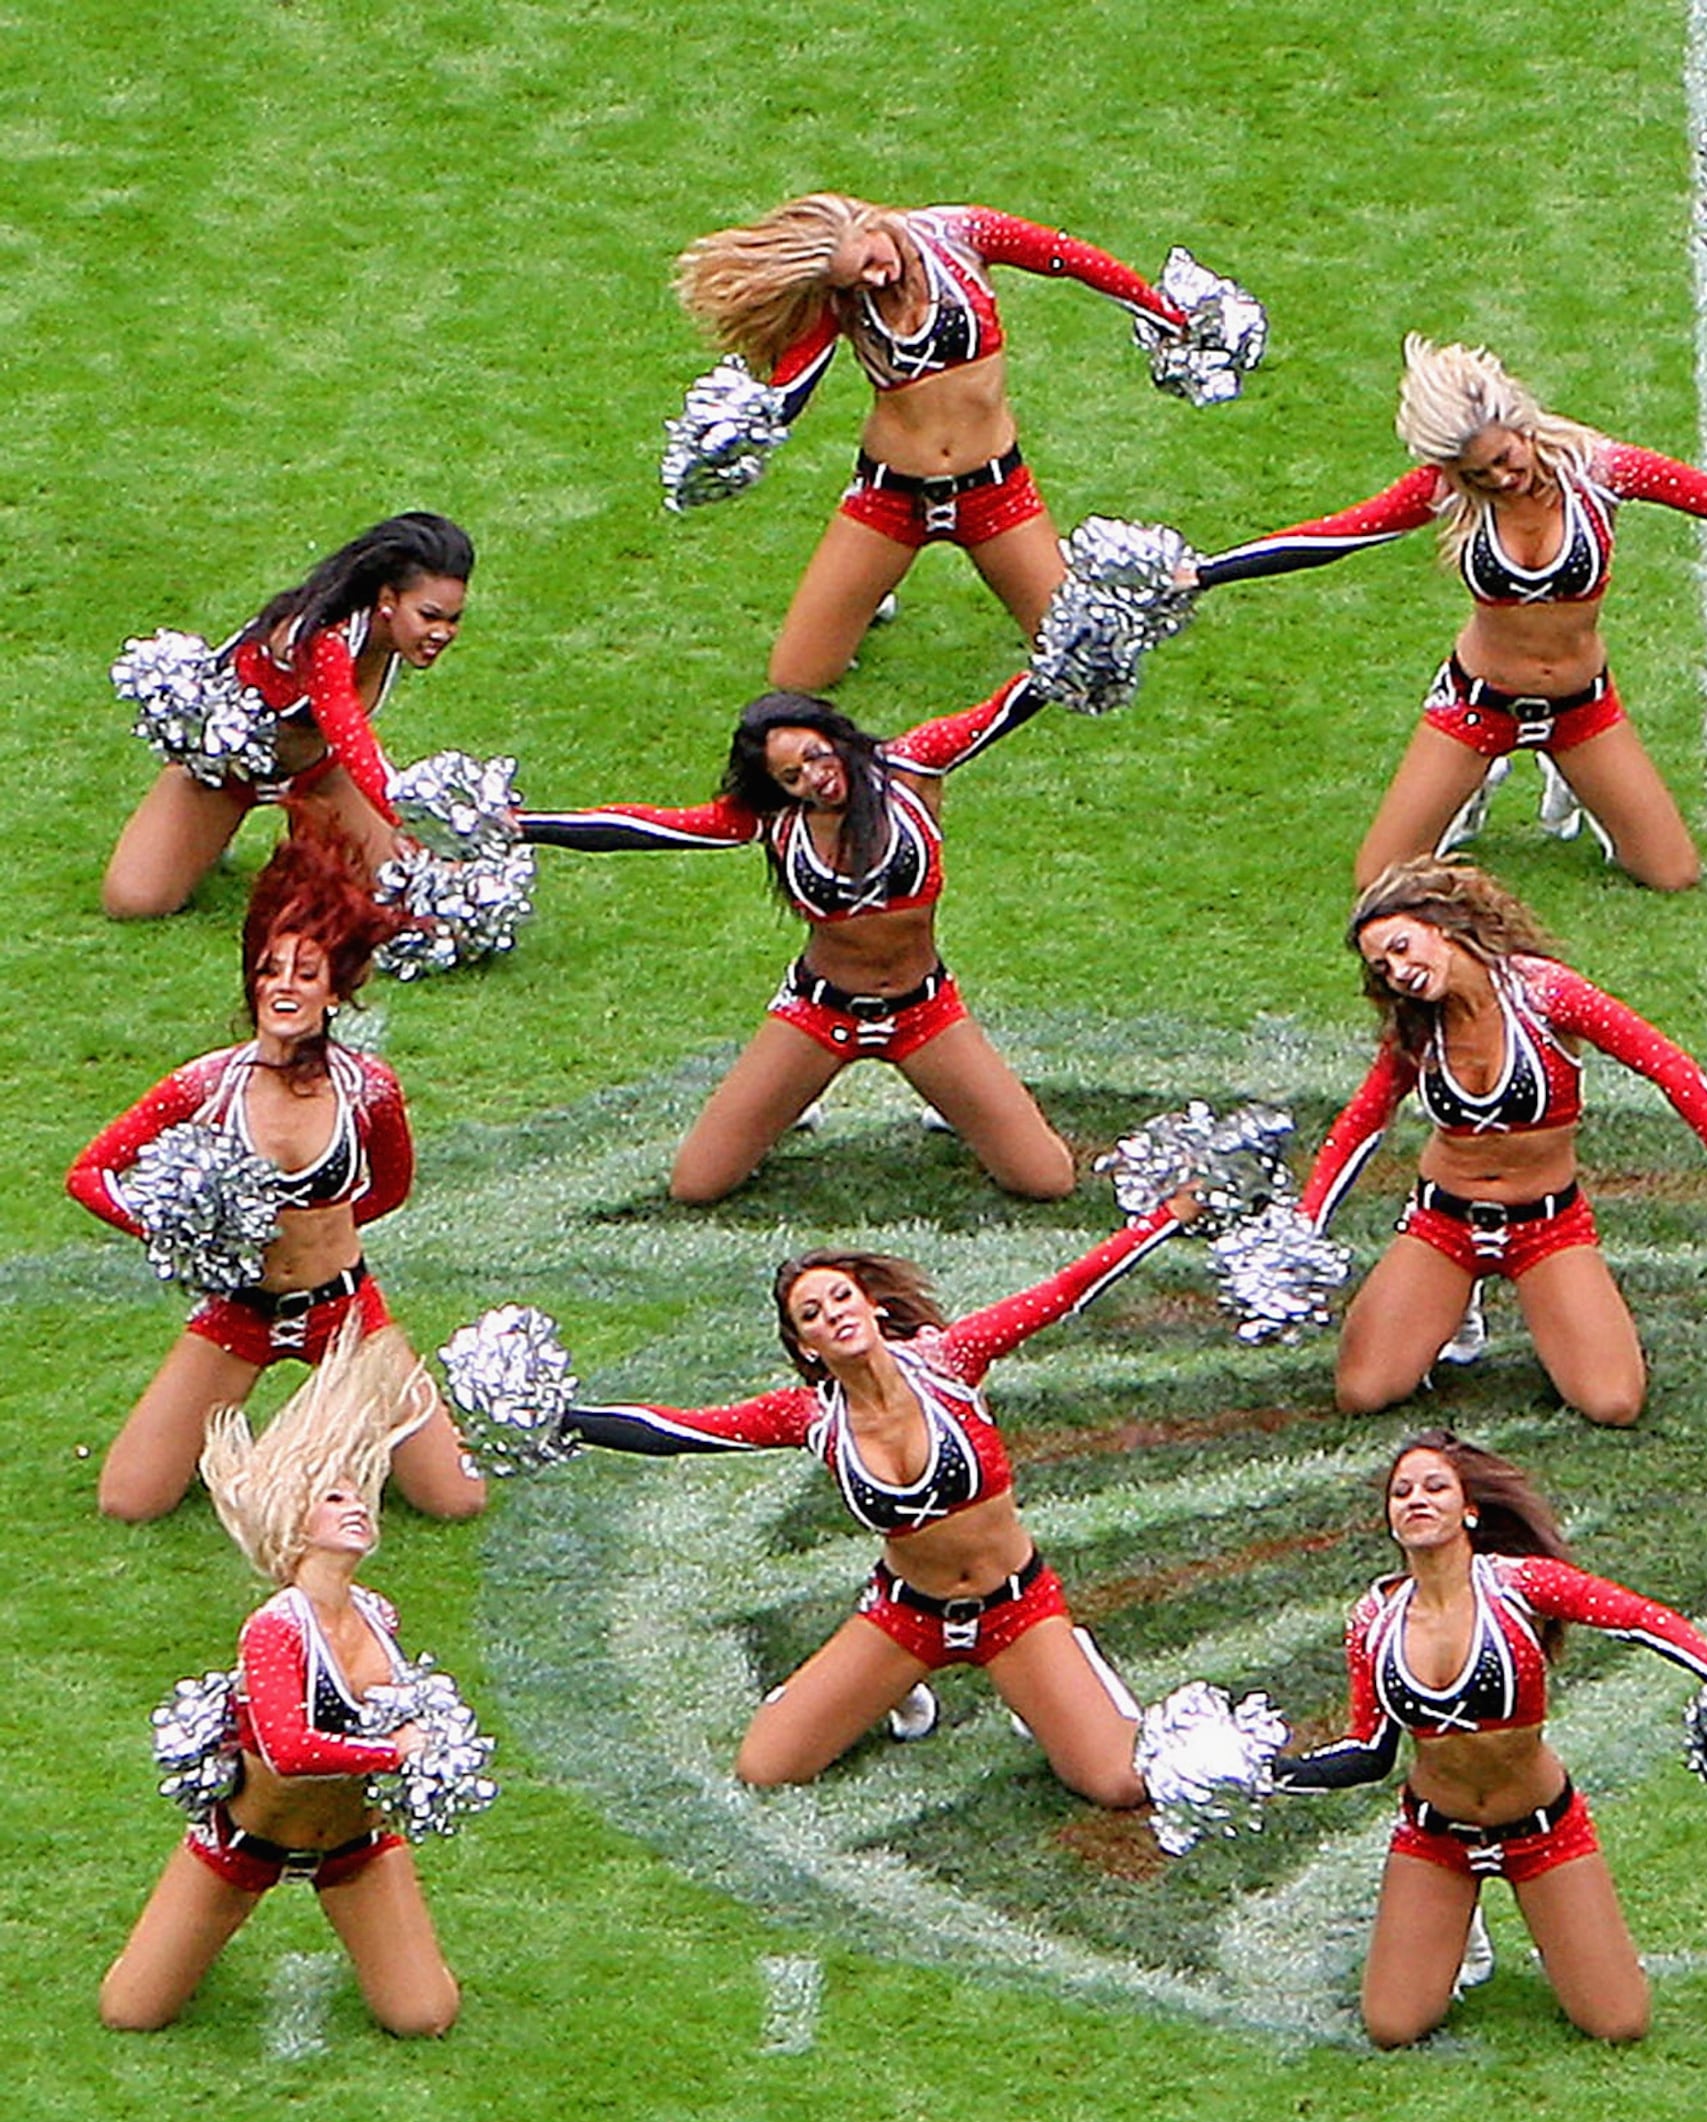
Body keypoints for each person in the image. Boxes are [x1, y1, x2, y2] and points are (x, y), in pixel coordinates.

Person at [557, 1197, 1197, 1794]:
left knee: (1117, 1784)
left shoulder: (951, 1361)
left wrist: (1168, 1215)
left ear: (874, 1308)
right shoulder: (809, 1417)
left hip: (1015, 1610)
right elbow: (681, 1431)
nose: (832, 1312)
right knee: (766, 1768)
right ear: (807, 1346)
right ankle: (894, 1686)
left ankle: (1063, 1664)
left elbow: (1062, 1293)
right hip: (908, 1616)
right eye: (812, 1314)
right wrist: (563, 1418)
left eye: (841, 1296)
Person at [1188, 336, 1707, 890]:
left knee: (1671, 874)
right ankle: (1479, 772)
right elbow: (1332, 536)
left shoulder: (1600, 472)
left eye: (1502, 460)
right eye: (1476, 475)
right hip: (1477, 704)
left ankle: (1561, 769)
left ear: (1518, 422)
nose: (1500, 479)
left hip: (1583, 706)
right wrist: (1205, 573)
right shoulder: (1442, 493)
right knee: (1380, 880)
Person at [513, 673, 1073, 1204]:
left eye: (814, 755)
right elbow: (643, 828)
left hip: (924, 1012)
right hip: (818, 1014)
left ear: (833, 736)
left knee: (1045, 1178)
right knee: (697, 1185)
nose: (814, 777)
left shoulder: (909, 767)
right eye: (791, 776)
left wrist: (1076, 647)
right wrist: (523, 827)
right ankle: (791, 1099)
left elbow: (1002, 711)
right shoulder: (775, 822)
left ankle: (950, 1099)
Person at [1272, 1433, 1707, 2046]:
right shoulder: (1374, 1619)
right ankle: (1456, 1926)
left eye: (1435, 1486)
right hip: (1436, 1839)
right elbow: (1369, 1752)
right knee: (1393, 2027)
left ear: (1469, 1509)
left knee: (1618, 2024)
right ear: (1390, 1519)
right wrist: (1270, 1771)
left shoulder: (1518, 1585)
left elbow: (1634, 1617)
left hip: (1542, 1833)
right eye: (1401, 1492)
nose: (1416, 1499)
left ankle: (1509, 1926)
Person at [71, 827, 487, 1523]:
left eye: (305, 971)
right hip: (240, 1312)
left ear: (334, 990)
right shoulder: (205, 1086)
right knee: (129, 1500)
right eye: (270, 970)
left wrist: (324, 1237)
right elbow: (90, 1173)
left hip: (346, 1309)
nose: (283, 987)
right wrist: (175, 1231)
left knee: (457, 1499)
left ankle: (333, 1426)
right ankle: (318, 1436)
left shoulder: (369, 1090)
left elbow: (388, 1189)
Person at [1305, 857, 1707, 1426]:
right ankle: (1453, 1303)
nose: (1399, 971)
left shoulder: (1547, 995)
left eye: (1402, 947)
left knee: (1612, 1403)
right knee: (1363, 1393)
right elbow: (1363, 1121)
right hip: (1443, 1223)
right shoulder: (1417, 1024)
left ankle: (1539, 1312)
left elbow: (1666, 1066)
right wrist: (1303, 1228)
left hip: (1547, 1225)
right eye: (1383, 966)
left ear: (1441, 926)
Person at [675, 195, 1195, 691]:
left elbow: (1068, 258)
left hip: (996, 494)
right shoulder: (843, 298)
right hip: (890, 499)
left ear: (870, 221)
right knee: (798, 678)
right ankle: (867, 592)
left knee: (1083, 660)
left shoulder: (964, 235)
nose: (876, 278)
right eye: (857, 279)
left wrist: (1165, 316)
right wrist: (737, 434)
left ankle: (891, 588)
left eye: (872, 261)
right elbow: (792, 385)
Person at [100, 1329, 462, 2036]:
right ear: (295, 1519)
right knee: (131, 2012)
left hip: (357, 1845)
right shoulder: (275, 1629)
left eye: (358, 1495)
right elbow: (289, 1749)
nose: (356, 1507)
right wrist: (398, 1754)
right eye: (333, 1499)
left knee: (425, 2016)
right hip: (244, 1847)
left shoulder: (377, 1614)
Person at [103, 513, 470, 920]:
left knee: (415, 902)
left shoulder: (394, 639)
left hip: (320, 773)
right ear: (387, 601)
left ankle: (313, 833)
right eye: (430, 616)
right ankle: (202, 837)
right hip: (225, 776)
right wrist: (423, 825)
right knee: (134, 902)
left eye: (453, 620)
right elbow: (352, 737)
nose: (442, 633)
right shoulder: (323, 639)